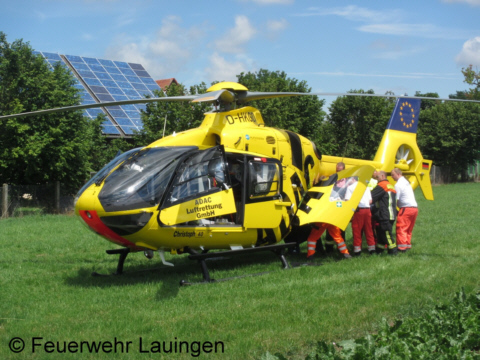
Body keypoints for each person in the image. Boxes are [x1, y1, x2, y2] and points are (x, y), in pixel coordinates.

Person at [345, 177, 376, 256]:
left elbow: (347, 200)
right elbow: (370, 201)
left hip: (358, 211)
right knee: (369, 230)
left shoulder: (350, 188)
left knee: (357, 230)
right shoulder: (365, 186)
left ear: (352, 179)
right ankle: (372, 249)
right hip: (367, 210)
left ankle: (357, 250)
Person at [391, 168, 418, 252]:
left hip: (405, 208)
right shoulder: (407, 183)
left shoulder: (398, 185)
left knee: (401, 228)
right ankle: (407, 244)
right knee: (409, 228)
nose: (392, 177)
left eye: (393, 175)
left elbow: (396, 199)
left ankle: (402, 248)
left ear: (398, 174)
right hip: (414, 208)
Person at [371, 171, 398, 255]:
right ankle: (379, 250)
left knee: (387, 234)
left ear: (382, 176)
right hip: (391, 213)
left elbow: (371, 196)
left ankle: (393, 251)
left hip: (385, 214)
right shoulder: (390, 185)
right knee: (381, 233)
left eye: (377, 177)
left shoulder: (382, 185)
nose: (377, 179)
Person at [323, 162, 347, 252]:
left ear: (344, 169)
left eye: (340, 170)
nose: (338, 171)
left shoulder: (347, 180)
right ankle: (329, 248)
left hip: (342, 206)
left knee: (341, 228)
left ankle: (341, 247)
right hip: (332, 206)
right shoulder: (332, 177)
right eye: (337, 170)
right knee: (330, 227)